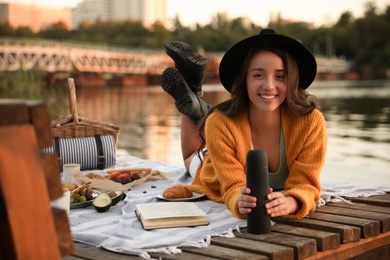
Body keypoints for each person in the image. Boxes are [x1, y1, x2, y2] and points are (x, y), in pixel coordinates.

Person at [160, 29, 327, 220]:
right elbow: (232, 186)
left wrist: (292, 201)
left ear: (293, 80)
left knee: (212, 120)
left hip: (230, 125)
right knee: (192, 159)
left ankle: (195, 97)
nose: (269, 85)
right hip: (217, 162)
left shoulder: (311, 122)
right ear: (244, 79)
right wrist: (239, 199)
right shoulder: (219, 123)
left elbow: (306, 184)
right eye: (258, 75)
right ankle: (193, 91)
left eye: (280, 76)